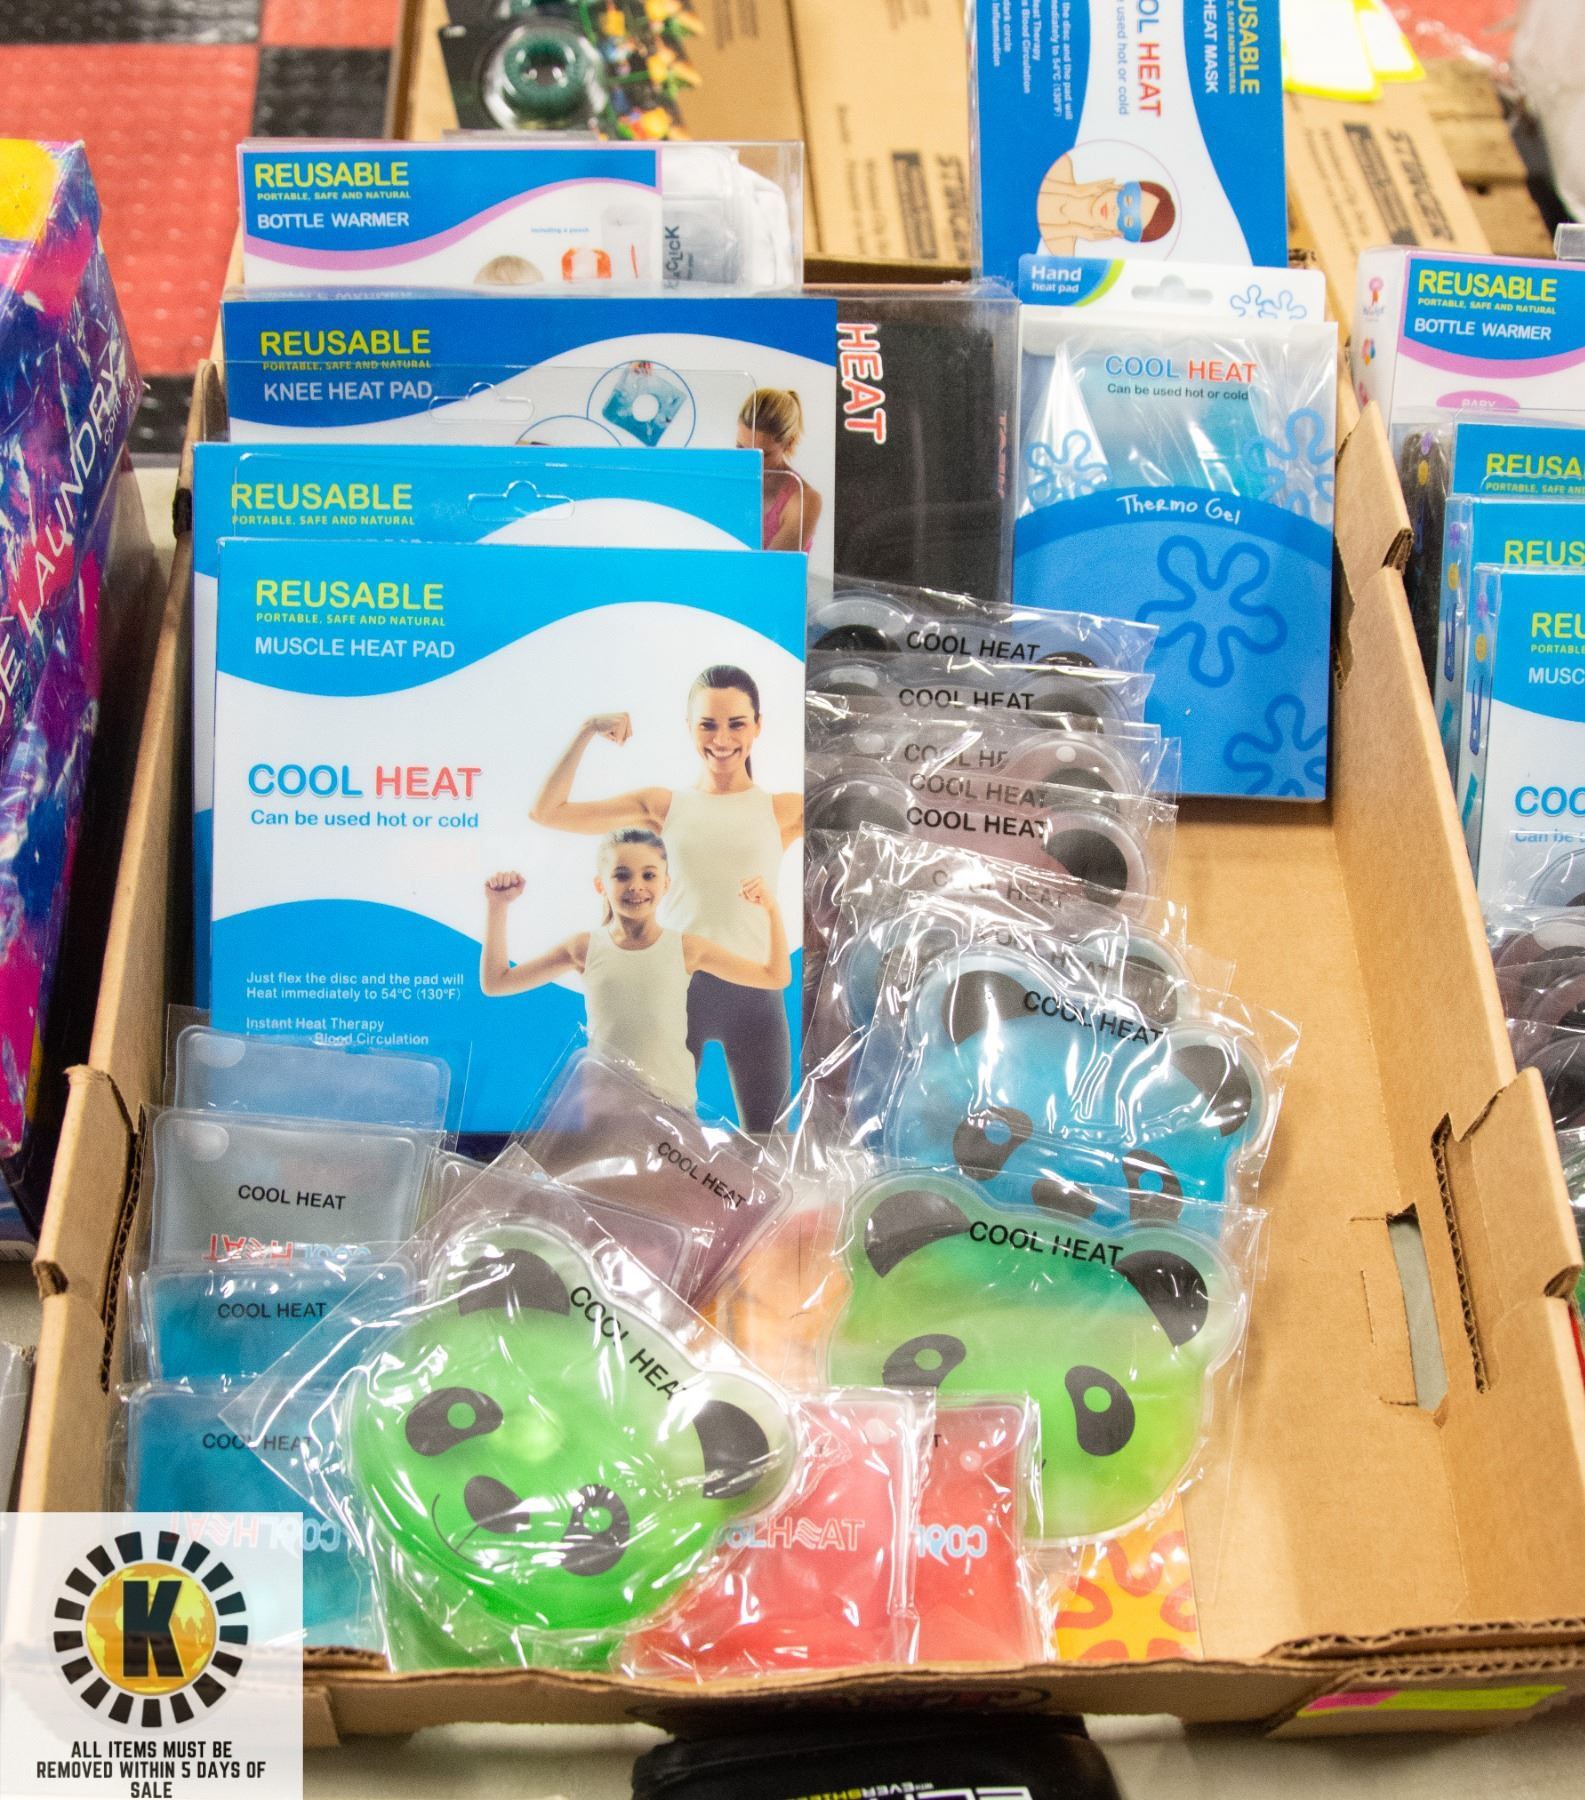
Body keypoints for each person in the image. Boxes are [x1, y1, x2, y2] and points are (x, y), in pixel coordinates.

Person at [530, 664, 802, 1129]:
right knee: (649, 1135)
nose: (722, 739)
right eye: (708, 725)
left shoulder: (784, 809)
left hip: (757, 994)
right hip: (676, 992)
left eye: (737, 724)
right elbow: (548, 812)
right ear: (689, 727)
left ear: (758, 726)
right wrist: (588, 729)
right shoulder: (665, 806)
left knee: (770, 1141)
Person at [480, 828, 789, 1114]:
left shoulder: (687, 948)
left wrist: (772, 909)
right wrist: (497, 906)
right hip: (606, 1112)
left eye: (649, 875)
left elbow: (775, 976)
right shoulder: (584, 948)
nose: (636, 886)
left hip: (673, 1113)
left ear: (666, 883)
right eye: (621, 875)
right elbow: (496, 983)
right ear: (601, 885)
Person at [1036, 155, 1176, 255]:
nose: (1116, 210)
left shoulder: (1061, 252)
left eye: (1128, 221)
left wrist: (1073, 229)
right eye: (1127, 200)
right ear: (1120, 186)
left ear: (1120, 234)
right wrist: (1074, 190)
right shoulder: (1059, 165)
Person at [737, 387, 823, 553]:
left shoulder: (804, 500)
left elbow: (770, 568)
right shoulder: (729, 481)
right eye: (741, 448)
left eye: (761, 455)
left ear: (788, 443)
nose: (749, 463)